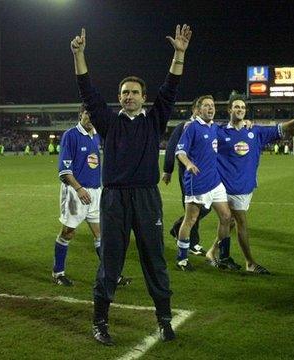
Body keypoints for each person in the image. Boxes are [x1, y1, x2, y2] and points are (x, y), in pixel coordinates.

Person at [71, 25, 192, 345]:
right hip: (114, 199)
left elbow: (171, 87)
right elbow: (87, 90)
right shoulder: (108, 123)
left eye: (134, 92)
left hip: (146, 198)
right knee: (111, 259)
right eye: (124, 92)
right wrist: (79, 54)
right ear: (119, 98)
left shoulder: (155, 120)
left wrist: (179, 55)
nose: (129, 96)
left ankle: (165, 320)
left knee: (154, 257)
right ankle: (100, 321)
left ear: (143, 97)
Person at [217, 94, 294, 274]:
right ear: (229, 110)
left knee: (227, 222)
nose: (240, 110)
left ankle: (217, 254)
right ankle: (250, 263)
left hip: (246, 187)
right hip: (227, 188)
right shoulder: (220, 132)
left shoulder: (255, 132)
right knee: (240, 222)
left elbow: (280, 129)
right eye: (236, 107)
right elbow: (202, 132)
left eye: (243, 108)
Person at [53, 106, 133, 286]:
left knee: (100, 234)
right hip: (75, 192)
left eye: (93, 115)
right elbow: (64, 171)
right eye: (88, 114)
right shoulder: (71, 135)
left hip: (96, 192)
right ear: (81, 115)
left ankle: (112, 275)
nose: (90, 118)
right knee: (68, 232)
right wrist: (79, 189)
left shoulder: (96, 136)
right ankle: (58, 272)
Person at [175, 95, 236, 272]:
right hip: (197, 182)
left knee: (227, 217)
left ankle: (223, 256)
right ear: (199, 109)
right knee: (191, 219)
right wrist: (188, 164)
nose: (210, 108)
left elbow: (231, 130)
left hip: (215, 182)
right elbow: (180, 151)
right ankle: (182, 259)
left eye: (212, 105)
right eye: (207, 106)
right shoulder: (192, 127)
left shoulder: (215, 127)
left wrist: (245, 122)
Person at [162, 97, 210, 257]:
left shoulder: (207, 127)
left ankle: (178, 227)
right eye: (201, 107)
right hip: (189, 175)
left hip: (207, 175)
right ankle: (192, 243)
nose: (203, 110)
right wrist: (168, 170)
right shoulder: (184, 126)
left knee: (206, 206)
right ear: (195, 110)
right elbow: (171, 148)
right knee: (193, 207)